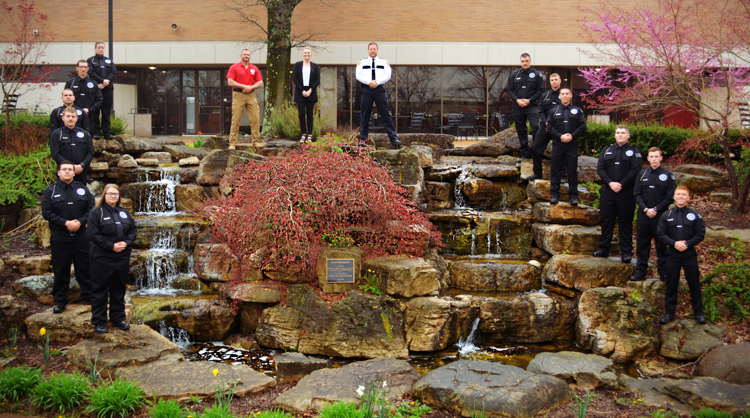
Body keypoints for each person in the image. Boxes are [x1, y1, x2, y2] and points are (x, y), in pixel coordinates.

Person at [41, 161, 95, 314]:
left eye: (69, 169)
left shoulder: (82, 189)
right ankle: (60, 301)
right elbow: (47, 213)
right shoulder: (50, 191)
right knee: (61, 269)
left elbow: (91, 209)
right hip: (60, 237)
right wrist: (66, 223)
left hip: (81, 236)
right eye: (63, 169)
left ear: (74, 172)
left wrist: (80, 222)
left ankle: (89, 297)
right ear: (58, 172)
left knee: (84, 267)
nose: (66, 172)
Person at [87, 184, 137, 334]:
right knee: (100, 289)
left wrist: (126, 243)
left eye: (115, 194)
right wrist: (111, 246)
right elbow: (93, 235)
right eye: (110, 194)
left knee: (119, 288)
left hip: (121, 257)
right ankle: (99, 321)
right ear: (104, 195)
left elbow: (133, 230)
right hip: (102, 257)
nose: (113, 196)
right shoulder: (96, 212)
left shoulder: (123, 212)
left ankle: (118, 318)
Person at [657, 186, 706, 324]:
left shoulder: (695, 215)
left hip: (689, 254)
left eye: (684, 195)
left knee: (694, 283)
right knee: (671, 284)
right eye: (678, 194)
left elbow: (700, 234)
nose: (681, 197)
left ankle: (698, 314)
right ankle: (669, 313)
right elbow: (661, 234)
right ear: (674, 197)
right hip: (672, 254)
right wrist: (674, 243)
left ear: (688, 198)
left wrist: (688, 243)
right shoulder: (666, 215)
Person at [594, 125, 642, 262]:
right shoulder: (607, 150)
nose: (620, 135)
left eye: (622, 133)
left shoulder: (634, 152)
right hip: (608, 192)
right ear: (615, 135)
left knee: (625, 223)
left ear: (628, 135)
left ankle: (626, 252)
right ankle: (604, 249)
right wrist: (610, 183)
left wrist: (621, 184)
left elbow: (635, 170)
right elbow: (600, 168)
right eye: (617, 133)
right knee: (606, 221)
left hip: (626, 193)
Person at [631, 147, 677, 282]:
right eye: (651, 156)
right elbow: (637, 194)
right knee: (642, 244)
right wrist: (646, 209)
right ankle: (640, 272)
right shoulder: (642, 174)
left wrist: (656, 209)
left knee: (661, 245)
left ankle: (663, 273)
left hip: (661, 216)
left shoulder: (668, 175)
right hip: (644, 215)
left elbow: (670, 197)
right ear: (648, 158)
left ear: (661, 158)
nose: (654, 159)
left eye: (656, 156)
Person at [355, 42, 402, 149]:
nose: (372, 50)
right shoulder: (362, 62)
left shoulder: (384, 62)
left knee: (386, 114)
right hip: (366, 90)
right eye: (371, 49)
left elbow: (388, 75)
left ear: (377, 50)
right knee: (365, 115)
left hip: (379, 89)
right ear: (368, 50)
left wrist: (377, 82)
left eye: (374, 49)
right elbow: (358, 75)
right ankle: (363, 139)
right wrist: (369, 82)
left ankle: (394, 139)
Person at [547, 88, 586, 206]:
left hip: (572, 145)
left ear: (570, 95)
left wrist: (571, 136)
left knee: (572, 170)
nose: (564, 96)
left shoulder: (577, 110)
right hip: (558, 144)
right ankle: (554, 196)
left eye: (566, 94)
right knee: (555, 170)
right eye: (562, 94)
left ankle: (573, 197)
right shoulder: (553, 110)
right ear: (559, 96)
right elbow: (549, 127)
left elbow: (582, 126)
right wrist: (560, 136)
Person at [508, 53, 543, 161]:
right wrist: (518, 100)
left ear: (530, 61)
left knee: (535, 127)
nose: (525, 63)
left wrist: (529, 100)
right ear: (520, 62)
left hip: (531, 105)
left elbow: (539, 91)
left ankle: (537, 154)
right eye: (523, 61)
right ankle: (525, 154)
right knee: (521, 129)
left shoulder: (537, 74)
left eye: (526, 61)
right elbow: (510, 91)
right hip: (518, 106)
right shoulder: (514, 75)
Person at [227, 49, 264, 150]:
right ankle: (232, 144)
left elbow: (260, 82)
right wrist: (244, 86)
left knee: (255, 118)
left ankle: (256, 142)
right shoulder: (234, 67)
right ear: (240, 55)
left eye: (248, 54)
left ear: (250, 56)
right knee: (236, 119)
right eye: (244, 54)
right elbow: (230, 82)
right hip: (238, 94)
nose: (246, 56)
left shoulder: (254, 68)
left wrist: (250, 87)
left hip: (251, 95)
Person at [528, 73, 562, 181]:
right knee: (537, 147)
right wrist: (547, 122)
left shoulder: (564, 95)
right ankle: (537, 173)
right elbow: (541, 112)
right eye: (552, 80)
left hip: (559, 127)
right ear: (550, 82)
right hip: (546, 126)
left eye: (556, 80)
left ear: (560, 81)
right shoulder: (545, 95)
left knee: (561, 151)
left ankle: (562, 176)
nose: (554, 82)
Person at [50, 107, 94, 184]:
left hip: (81, 172)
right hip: (64, 172)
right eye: (68, 116)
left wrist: (81, 165)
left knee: (80, 195)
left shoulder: (85, 134)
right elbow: (55, 154)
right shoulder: (57, 134)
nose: (70, 119)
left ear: (77, 119)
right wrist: (71, 167)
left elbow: (90, 153)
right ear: (63, 118)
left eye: (73, 116)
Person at [87, 41, 117, 139]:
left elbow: (113, 72)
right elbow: (91, 73)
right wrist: (101, 81)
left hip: (107, 89)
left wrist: (106, 81)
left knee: (106, 111)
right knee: (95, 111)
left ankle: (107, 132)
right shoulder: (91, 61)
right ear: (95, 48)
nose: (101, 49)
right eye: (99, 47)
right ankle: (96, 132)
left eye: (103, 48)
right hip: (96, 89)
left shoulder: (109, 61)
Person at [292, 47, 320, 143]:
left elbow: (317, 80)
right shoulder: (297, 65)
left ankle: (310, 135)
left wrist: (310, 90)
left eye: (308, 52)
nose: (307, 54)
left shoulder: (315, 66)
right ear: (303, 54)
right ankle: (303, 134)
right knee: (301, 114)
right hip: (300, 92)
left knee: (310, 114)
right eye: (305, 52)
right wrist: (302, 91)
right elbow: (295, 78)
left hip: (311, 92)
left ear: (311, 54)